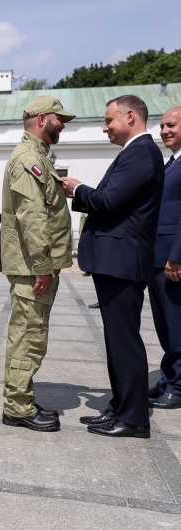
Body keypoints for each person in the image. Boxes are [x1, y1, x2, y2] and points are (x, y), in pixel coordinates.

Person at [63, 94, 164, 438]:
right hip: (115, 259)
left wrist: (77, 190)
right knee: (116, 339)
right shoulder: (134, 152)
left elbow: (108, 201)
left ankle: (134, 417)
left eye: (109, 120)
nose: (105, 127)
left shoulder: (141, 153)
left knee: (124, 340)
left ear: (131, 117)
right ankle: (120, 407)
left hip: (123, 260)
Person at [1, 95, 75, 433]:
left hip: (36, 266)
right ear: (42, 118)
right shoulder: (29, 159)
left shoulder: (37, 158)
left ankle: (22, 399)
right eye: (60, 119)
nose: (62, 125)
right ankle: (18, 408)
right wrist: (43, 265)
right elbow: (33, 218)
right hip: (34, 268)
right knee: (28, 335)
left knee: (31, 333)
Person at [146, 106, 181, 409]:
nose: (165, 131)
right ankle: (168, 377)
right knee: (164, 324)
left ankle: (179, 385)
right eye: (162, 126)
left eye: (171, 125)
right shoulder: (172, 162)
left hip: (172, 260)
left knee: (176, 324)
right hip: (158, 258)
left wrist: (177, 257)